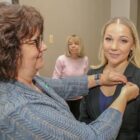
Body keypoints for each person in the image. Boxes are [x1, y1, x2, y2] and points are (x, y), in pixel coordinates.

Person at [0, 3, 139, 140]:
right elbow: (93, 135)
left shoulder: (32, 83)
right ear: (11, 51)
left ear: (133, 45)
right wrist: (124, 97)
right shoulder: (21, 110)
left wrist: (100, 79)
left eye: (123, 41)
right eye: (35, 41)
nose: (44, 46)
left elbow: (63, 86)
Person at [79, 17, 140, 140]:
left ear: (133, 45)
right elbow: (83, 121)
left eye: (123, 41)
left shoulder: (138, 77)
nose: (113, 47)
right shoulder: (92, 75)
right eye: (108, 39)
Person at [52, 34, 89, 119]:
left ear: (80, 46)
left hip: (79, 98)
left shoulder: (85, 59)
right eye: (70, 44)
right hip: (64, 98)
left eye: (76, 43)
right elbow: (55, 79)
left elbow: (85, 79)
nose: (73, 46)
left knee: (77, 121)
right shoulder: (61, 59)